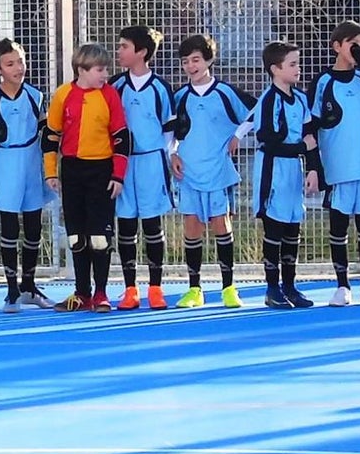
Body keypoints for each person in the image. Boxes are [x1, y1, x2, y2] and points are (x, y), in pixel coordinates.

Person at [309, 21, 360, 307]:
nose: (358, 50)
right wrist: (315, 166)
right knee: (339, 225)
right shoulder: (324, 82)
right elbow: (312, 124)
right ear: (337, 46)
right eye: (352, 44)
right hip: (339, 167)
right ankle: (342, 285)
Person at [169, 35, 255, 309]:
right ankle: (194, 289)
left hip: (218, 171)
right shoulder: (180, 97)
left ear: (208, 60)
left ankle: (229, 287)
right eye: (185, 62)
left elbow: (256, 112)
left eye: (195, 60)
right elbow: (171, 131)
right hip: (190, 172)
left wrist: (238, 136)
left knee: (221, 225)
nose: (190, 66)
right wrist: (173, 154)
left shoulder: (225, 92)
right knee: (192, 228)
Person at [43, 42, 130, 313]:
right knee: (76, 235)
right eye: (100, 69)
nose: (105, 74)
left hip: (102, 171)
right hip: (72, 170)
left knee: (99, 236)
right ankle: (82, 292)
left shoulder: (110, 95)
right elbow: (51, 136)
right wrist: (50, 172)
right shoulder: (63, 95)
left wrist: (118, 176)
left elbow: (122, 137)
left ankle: (101, 292)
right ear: (82, 69)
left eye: (106, 69)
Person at [0, 38, 55, 313]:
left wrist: (49, 170)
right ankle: (11, 289)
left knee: (34, 226)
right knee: (9, 226)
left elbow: (46, 134)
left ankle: (29, 285)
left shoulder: (35, 96)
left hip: (31, 165)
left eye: (21, 61)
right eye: (10, 64)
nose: (18, 68)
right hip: (5, 165)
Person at [253, 41, 322, 309]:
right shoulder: (269, 100)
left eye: (297, 63)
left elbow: (310, 137)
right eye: (292, 64)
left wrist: (313, 167)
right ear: (275, 69)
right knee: (275, 228)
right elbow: (268, 140)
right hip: (274, 168)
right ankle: (272, 288)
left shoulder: (301, 99)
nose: (298, 69)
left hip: (294, 168)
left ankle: (290, 285)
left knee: (293, 227)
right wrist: (301, 147)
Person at [111, 25, 175, 311]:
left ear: (142, 52)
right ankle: (129, 288)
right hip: (123, 162)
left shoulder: (161, 87)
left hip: (151, 161)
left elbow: (170, 128)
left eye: (124, 46)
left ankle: (156, 288)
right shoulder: (115, 86)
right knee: (125, 226)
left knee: (152, 225)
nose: (119, 51)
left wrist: (168, 154)